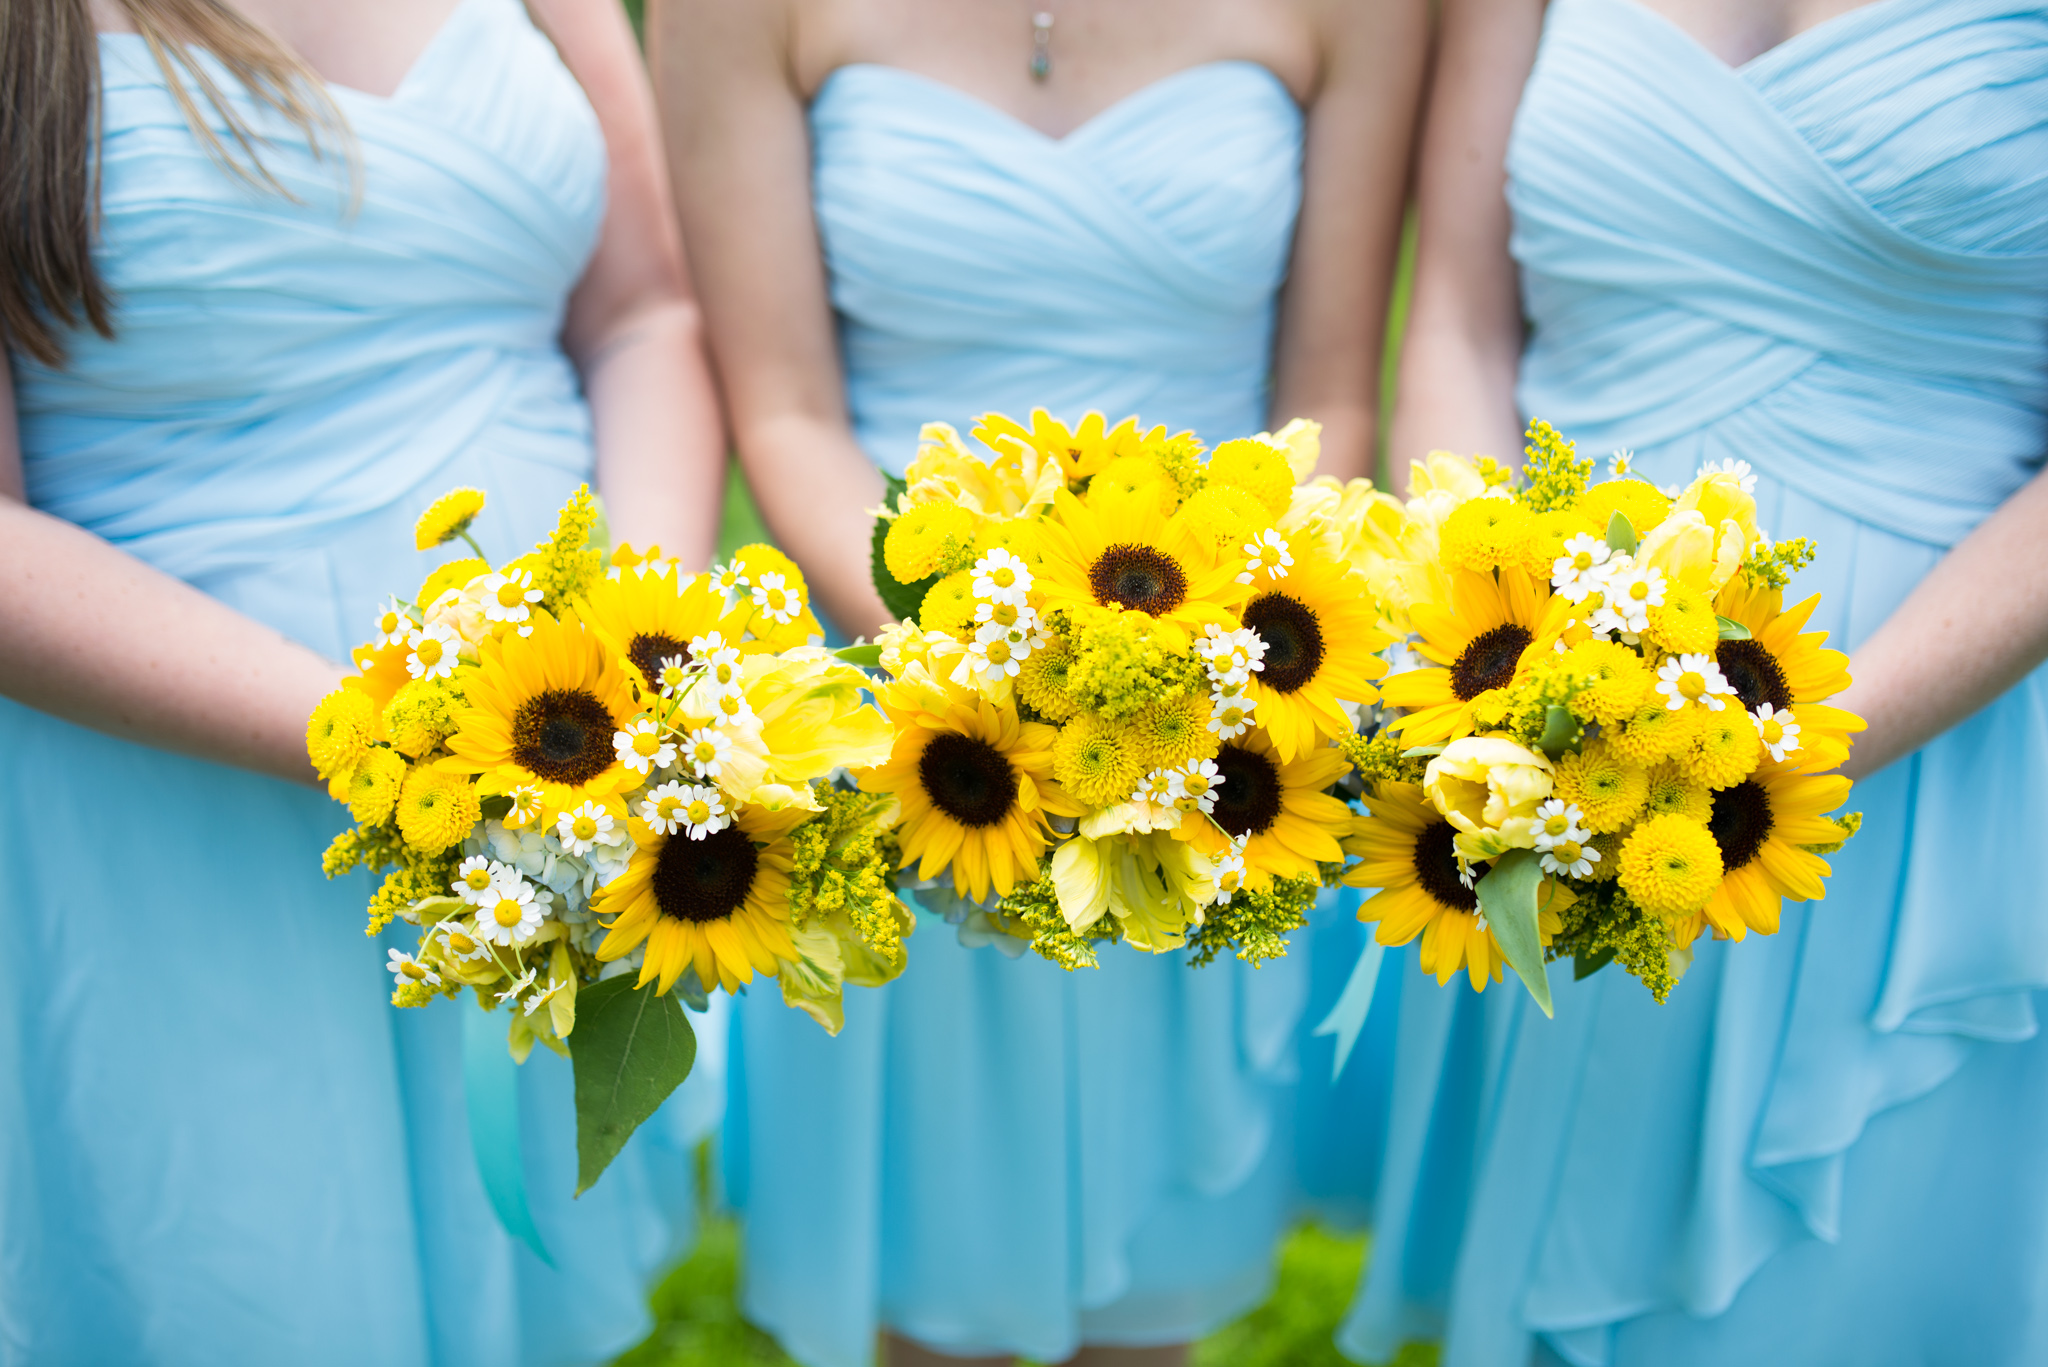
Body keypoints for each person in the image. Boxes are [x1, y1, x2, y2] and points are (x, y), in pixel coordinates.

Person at [653, 0, 1426, 1362]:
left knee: (1153, 1267)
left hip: (1212, 707)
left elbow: (1329, 392)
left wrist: (1190, 678)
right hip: (905, 693)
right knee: (930, 1253)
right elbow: (784, 407)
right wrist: (967, 658)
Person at [0, 0, 727, 1361]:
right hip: (184, 804)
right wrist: (403, 748)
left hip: (565, 788)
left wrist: (643, 673)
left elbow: (643, 311)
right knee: (253, 1285)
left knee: (526, 1285)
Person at [1340, 0, 2048, 1363]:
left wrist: (1793, 751)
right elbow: (1460, 332)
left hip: (1914, 737)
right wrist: (1493, 680)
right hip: (1539, 741)